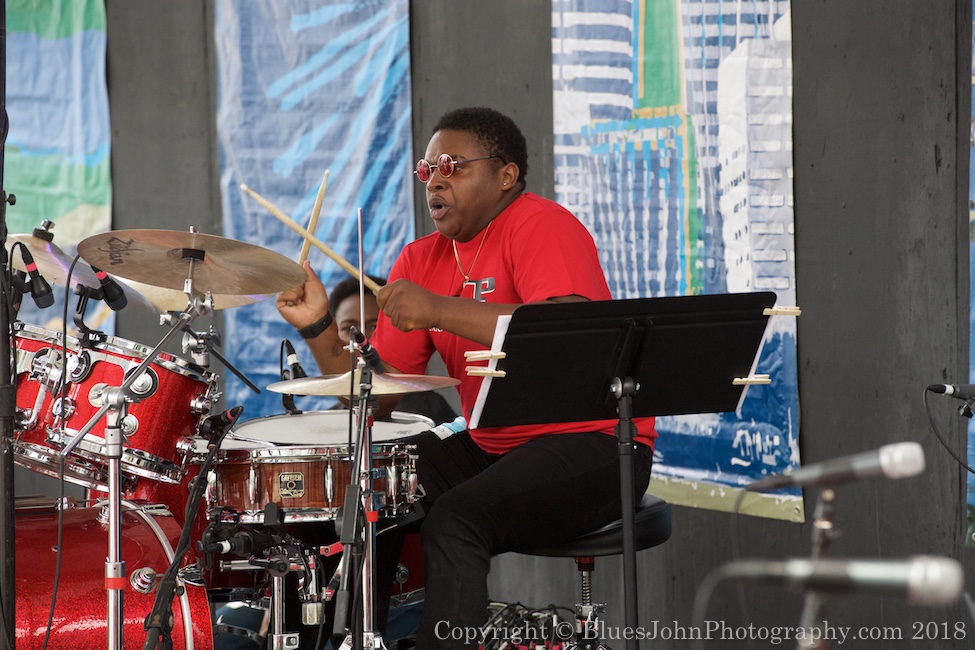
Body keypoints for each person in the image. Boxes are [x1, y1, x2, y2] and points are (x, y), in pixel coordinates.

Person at [277, 107, 656, 649]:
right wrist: (317, 324)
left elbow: (566, 334)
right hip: (493, 447)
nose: (435, 178)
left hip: (596, 447)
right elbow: (374, 396)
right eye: (427, 168)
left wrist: (438, 309)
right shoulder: (420, 259)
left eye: (452, 165)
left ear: (506, 176)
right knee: (366, 487)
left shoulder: (539, 223)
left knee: (456, 518)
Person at [327, 274, 459, 427]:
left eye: (374, 326)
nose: (361, 338)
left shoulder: (429, 406)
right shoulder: (327, 423)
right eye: (348, 329)